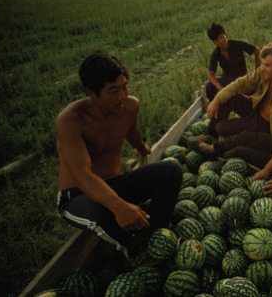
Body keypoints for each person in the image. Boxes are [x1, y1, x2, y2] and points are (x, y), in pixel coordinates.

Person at [55, 50, 182, 260]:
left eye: (124, 86)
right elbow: (82, 176)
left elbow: (132, 133)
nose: (122, 95)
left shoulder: (130, 106)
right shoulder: (70, 120)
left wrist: (142, 148)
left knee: (171, 170)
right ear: (91, 92)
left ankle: (151, 235)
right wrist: (119, 207)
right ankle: (136, 256)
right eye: (113, 91)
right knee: (103, 214)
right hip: (77, 195)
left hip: (115, 183)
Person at [204, 42, 272, 138]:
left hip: (264, 125)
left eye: (267, 65)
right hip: (255, 108)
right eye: (263, 64)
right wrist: (217, 99)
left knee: (221, 128)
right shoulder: (262, 73)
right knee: (228, 98)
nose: (263, 68)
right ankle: (209, 135)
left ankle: (224, 131)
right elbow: (239, 84)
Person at [204, 22, 261, 101]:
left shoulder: (237, 44)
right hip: (227, 79)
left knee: (249, 96)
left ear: (226, 35)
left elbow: (257, 50)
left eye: (221, 37)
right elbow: (211, 75)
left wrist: (256, 71)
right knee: (207, 86)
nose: (220, 41)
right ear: (214, 43)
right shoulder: (216, 53)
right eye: (217, 40)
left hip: (242, 78)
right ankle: (218, 106)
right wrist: (220, 88)